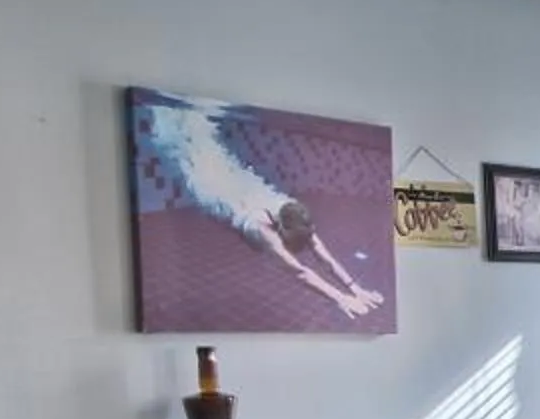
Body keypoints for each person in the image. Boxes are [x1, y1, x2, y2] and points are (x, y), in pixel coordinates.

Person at [134, 96, 385, 323]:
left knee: (201, 141)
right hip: (211, 189)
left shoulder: (298, 216)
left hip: (234, 182)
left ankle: (184, 116)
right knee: (178, 144)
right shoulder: (261, 227)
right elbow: (300, 272)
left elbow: (326, 259)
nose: (306, 245)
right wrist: (339, 298)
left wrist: (356, 289)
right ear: (279, 228)